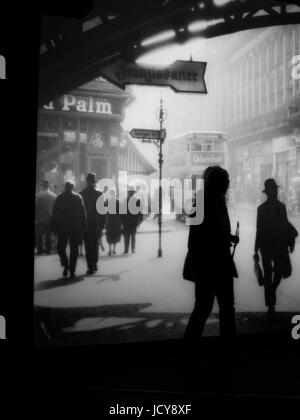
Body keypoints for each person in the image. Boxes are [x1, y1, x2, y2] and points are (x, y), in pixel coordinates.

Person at [183, 166, 239, 340]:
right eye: (225, 180)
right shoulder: (204, 203)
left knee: (216, 308)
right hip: (210, 267)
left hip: (217, 265)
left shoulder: (216, 202)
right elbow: (194, 242)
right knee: (208, 308)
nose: (228, 184)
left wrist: (228, 236)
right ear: (215, 183)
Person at [254, 178, 296, 314]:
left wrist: (256, 248)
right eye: (275, 190)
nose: (276, 192)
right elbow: (261, 229)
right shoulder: (270, 208)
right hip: (273, 246)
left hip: (269, 247)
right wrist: (255, 248)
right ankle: (271, 303)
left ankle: (270, 292)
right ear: (270, 192)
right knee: (273, 273)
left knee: (273, 274)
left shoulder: (276, 207)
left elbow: (283, 224)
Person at [51, 180, 87, 278]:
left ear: (65, 187)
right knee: (74, 249)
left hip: (63, 226)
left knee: (60, 248)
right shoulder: (78, 197)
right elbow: (83, 214)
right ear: (73, 187)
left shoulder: (59, 198)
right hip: (75, 226)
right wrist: (84, 226)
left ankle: (65, 265)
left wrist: (53, 227)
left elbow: (54, 213)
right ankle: (72, 270)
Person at [80, 173, 105, 274]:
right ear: (94, 182)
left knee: (88, 245)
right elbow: (102, 211)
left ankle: (90, 265)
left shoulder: (82, 194)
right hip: (96, 223)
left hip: (86, 223)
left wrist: (80, 224)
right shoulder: (99, 194)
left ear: (87, 182)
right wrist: (102, 225)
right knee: (95, 244)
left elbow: (80, 211)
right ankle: (94, 263)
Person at [35, 179, 57, 255]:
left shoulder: (38, 196)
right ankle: (48, 250)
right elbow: (56, 209)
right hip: (50, 219)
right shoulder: (54, 196)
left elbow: (36, 207)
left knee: (39, 235)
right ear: (48, 186)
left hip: (40, 219)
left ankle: (40, 250)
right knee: (48, 235)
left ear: (42, 186)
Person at [121, 185, 143, 254]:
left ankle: (126, 249)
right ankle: (132, 249)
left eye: (129, 192)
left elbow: (122, 211)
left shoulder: (125, 200)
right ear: (134, 192)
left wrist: (122, 221)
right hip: (134, 221)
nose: (129, 193)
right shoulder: (137, 200)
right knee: (133, 235)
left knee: (127, 236)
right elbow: (140, 212)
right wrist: (140, 221)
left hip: (126, 221)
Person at [105, 188, 122, 255]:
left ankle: (109, 249)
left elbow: (104, 207)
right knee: (115, 234)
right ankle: (114, 249)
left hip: (109, 219)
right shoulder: (118, 201)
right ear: (115, 193)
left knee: (109, 234)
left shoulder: (107, 200)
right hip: (117, 220)